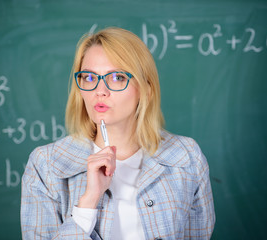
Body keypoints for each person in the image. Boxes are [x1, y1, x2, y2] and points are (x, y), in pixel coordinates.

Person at [21, 27, 215, 240]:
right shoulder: (45, 165)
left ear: (145, 89)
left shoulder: (187, 157)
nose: (100, 91)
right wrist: (88, 201)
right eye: (89, 77)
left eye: (116, 77)